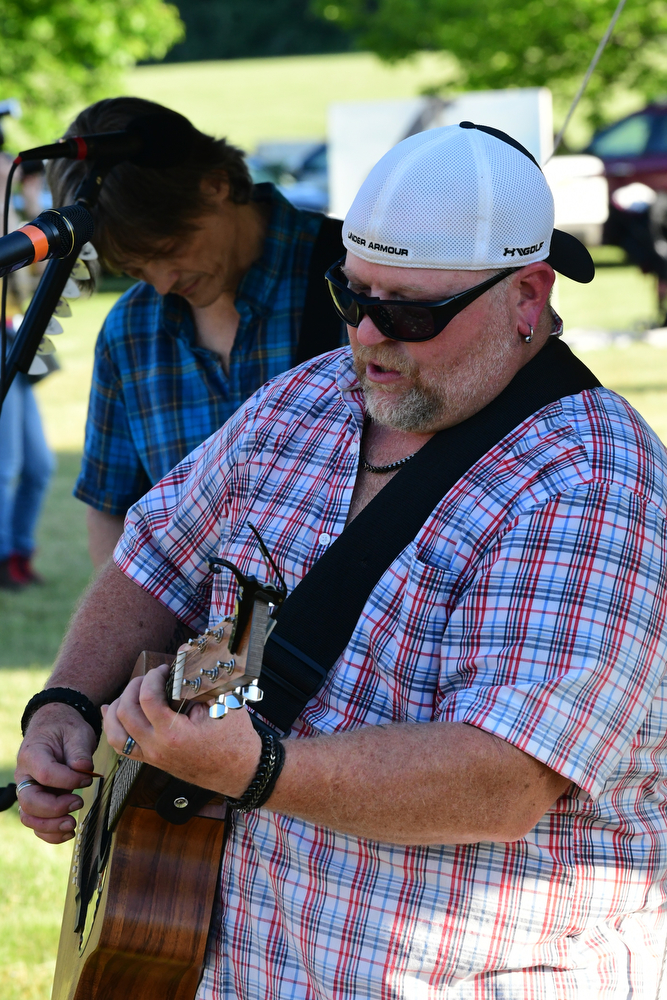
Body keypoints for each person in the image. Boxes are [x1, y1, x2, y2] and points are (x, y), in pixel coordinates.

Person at [16, 124, 667, 997]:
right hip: (225, 957)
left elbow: (503, 778)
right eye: (351, 296)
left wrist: (258, 770)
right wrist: (64, 700)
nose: (366, 335)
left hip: (465, 975)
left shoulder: (589, 482)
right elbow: (156, 556)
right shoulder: (308, 397)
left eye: (407, 311)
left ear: (526, 297)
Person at [47, 97, 344, 569]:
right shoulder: (130, 331)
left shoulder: (353, 281)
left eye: (169, 249)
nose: (163, 283)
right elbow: (110, 511)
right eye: (135, 269)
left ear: (215, 184)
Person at [0, 122, 55, 589]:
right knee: (6, 465)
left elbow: (34, 280)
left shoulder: (13, 209)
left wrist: (32, 198)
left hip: (11, 338)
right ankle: (3, 560)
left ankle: (18, 552)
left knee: (40, 465)